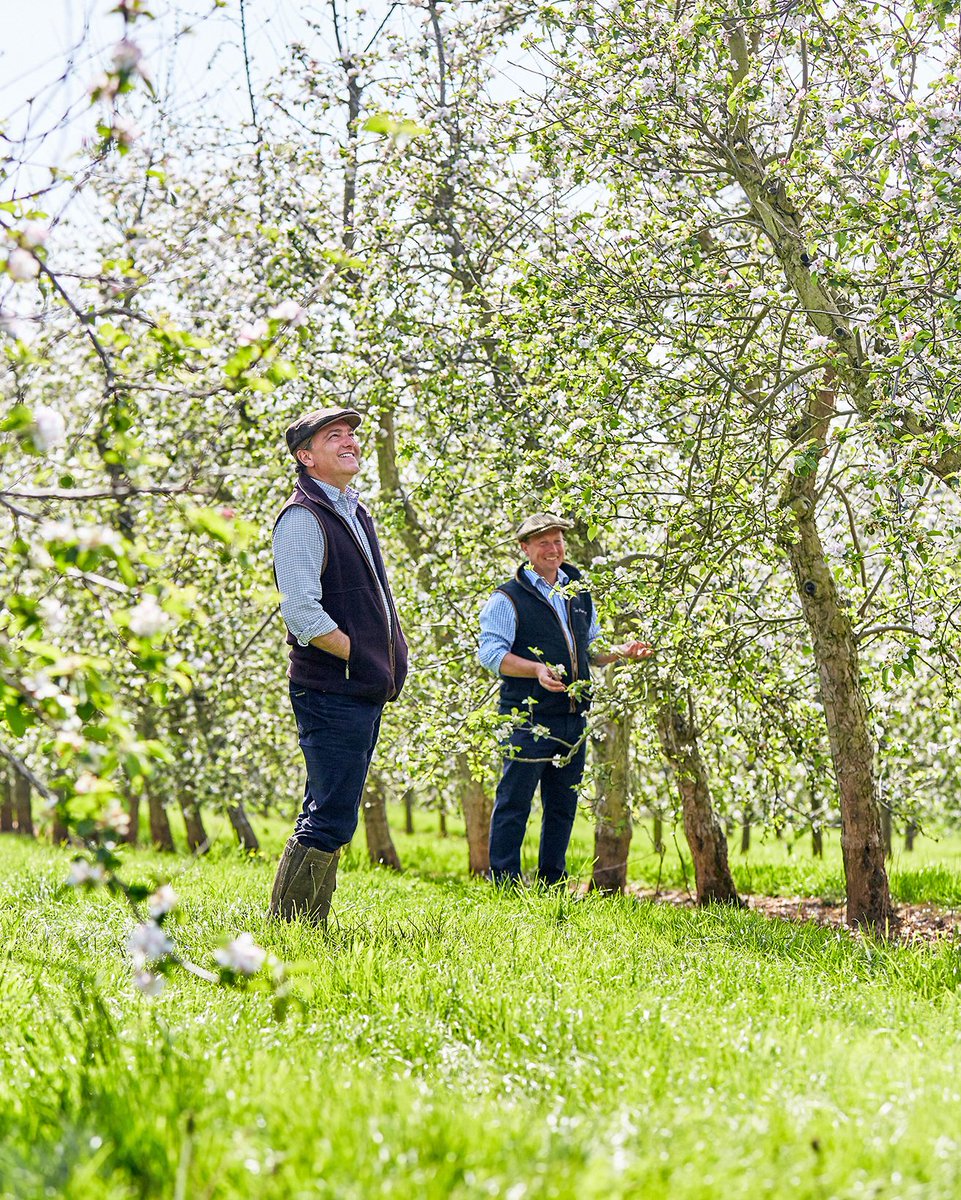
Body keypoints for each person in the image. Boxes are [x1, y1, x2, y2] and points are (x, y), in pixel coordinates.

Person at [269, 406, 408, 924]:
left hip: (358, 688)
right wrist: (367, 655)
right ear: (306, 457)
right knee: (328, 814)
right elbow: (302, 612)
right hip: (330, 688)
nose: (350, 441)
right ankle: (295, 927)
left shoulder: (352, 510)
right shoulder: (303, 517)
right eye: (334, 437)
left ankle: (301, 924)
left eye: (351, 434)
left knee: (334, 809)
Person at [478, 514, 651, 886]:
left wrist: (622, 651)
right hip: (527, 717)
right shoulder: (507, 597)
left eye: (557, 541)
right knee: (515, 802)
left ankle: (551, 882)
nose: (553, 550)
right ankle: (503, 882)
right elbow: (492, 654)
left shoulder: (577, 592)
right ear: (525, 549)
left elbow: (590, 648)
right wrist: (537, 670)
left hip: (573, 715)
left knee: (562, 806)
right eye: (544, 543)